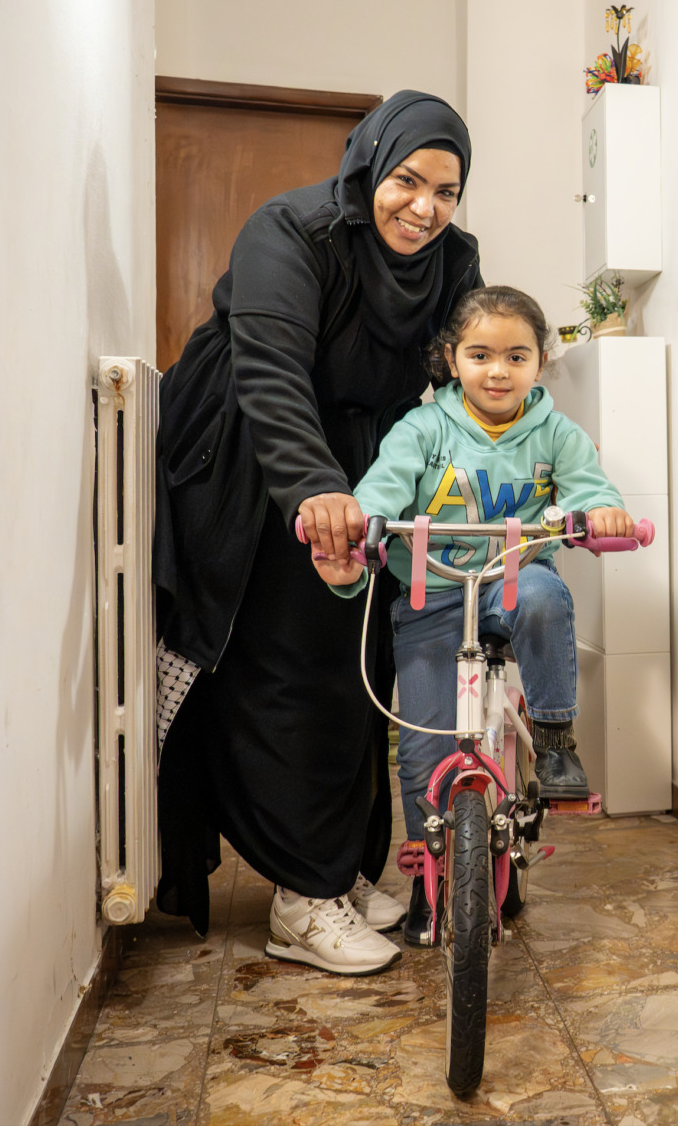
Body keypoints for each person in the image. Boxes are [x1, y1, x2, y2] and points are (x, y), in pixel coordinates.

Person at [151, 91, 482, 977]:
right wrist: (314, 490)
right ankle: (300, 897)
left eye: (446, 191)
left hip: (359, 461)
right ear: (370, 160)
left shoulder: (456, 259)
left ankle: (338, 869)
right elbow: (268, 369)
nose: (424, 206)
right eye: (407, 180)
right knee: (289, 660)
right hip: (252, 444)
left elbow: (467, 377)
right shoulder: (290, 232)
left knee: (358, 658)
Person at [315, 286, 635, 945]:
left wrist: (601, 510)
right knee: (424, 747)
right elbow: (382, 484)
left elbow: (588, 486)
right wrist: (366, 522)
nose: (497, 370)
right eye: (481, 354)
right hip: (432, 596)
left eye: (516, 356)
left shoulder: (553, 430)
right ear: (451, 359)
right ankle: (429, 876)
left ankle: (553, 740)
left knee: (549, 597)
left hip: (512, 584)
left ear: (540, 362)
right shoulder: (424, 427)